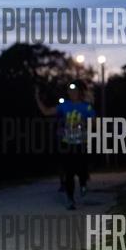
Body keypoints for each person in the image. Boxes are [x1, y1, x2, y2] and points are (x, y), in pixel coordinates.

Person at [35, 81, 95, 210]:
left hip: (81, 143)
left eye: (75, 91)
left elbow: (95, 122)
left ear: (79, 92)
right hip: (68, 143)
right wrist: (37, 98)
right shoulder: (64, 106)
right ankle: (70, 199)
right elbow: (46, 112)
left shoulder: (86, 107)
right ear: (68, 93)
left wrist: (85, 122)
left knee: (82, 167)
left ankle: (83, 183)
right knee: (69, 172)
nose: (72, 93)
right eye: (70, 91)